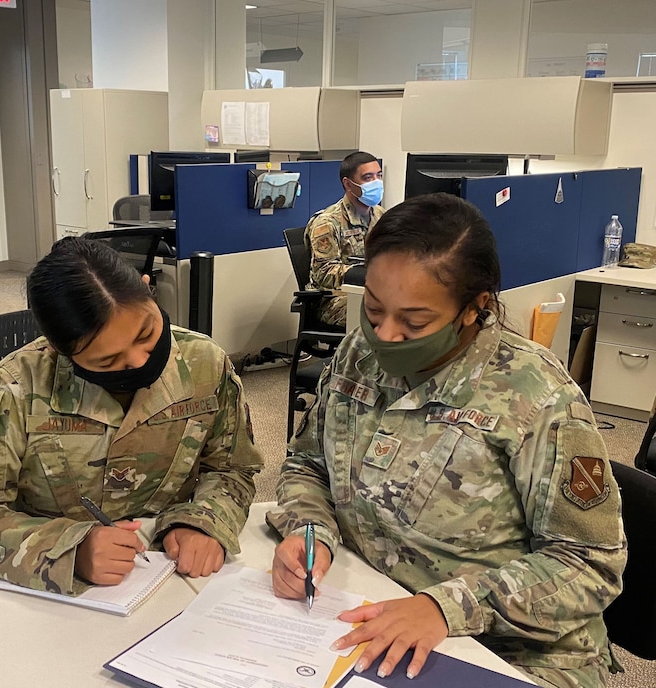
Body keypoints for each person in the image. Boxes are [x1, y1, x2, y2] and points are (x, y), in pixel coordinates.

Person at [268, 193, 626, 688]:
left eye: (415, 322)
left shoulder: (536, 397)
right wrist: (309, 533)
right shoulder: (358, 354)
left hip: (516, 652)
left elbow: (590, 563)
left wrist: (446, 607)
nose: (386, 336)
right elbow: (307, 464)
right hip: (371, 610)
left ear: (474, 308)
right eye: (373, 311)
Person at [0, 236, 263, 595]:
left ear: (149, 290)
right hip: (50, 593)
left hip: (170, 575)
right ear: (59, 349)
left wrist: (203, 522)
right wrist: (66, 550)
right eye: (107, 360)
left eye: (146, 334)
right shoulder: (12, 387)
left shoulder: (205, 364)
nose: (138, 360)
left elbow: (232, 468)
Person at [304, 150, 385, 327]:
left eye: (379, 176)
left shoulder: (382, 216)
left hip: (371, 293)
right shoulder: (327, 222)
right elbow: (323, 273)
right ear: (348, 184)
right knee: (383, 316)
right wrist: (368, 275)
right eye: (368, 177)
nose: (376, 182)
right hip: (333, 300)